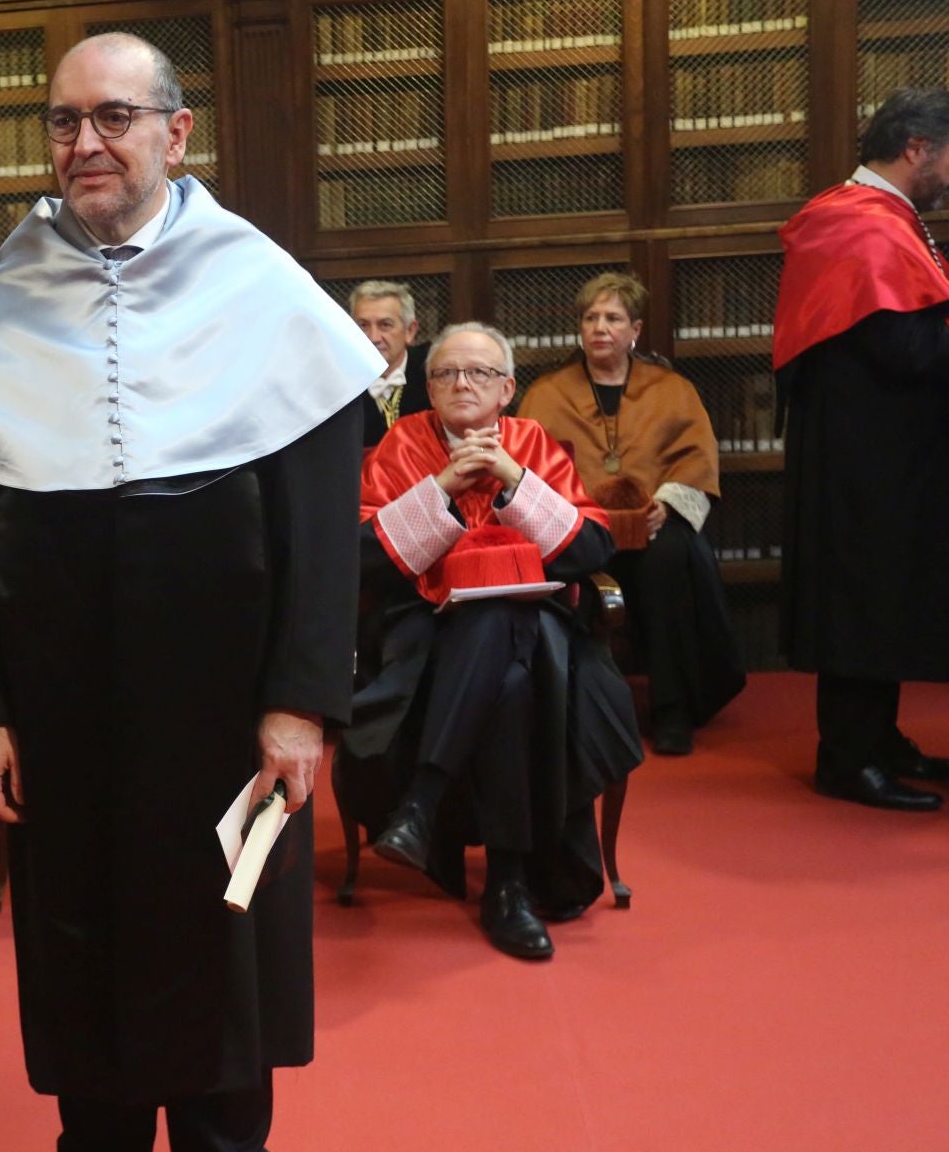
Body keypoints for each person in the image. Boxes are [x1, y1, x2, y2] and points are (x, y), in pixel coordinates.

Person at [0, 32, 381, 1152]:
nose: (86, 143)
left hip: (226, 712)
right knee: (89, 984)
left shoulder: (263, 285)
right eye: (65, 121)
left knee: (222, 983)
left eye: (114, 117)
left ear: (177, 133)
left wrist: (301, 702)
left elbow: (324, 529)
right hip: (63, 714)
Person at [347, 322, 642, 960]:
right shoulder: (401, 444)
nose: (461, 384)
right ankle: (505, 886)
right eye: (447, 373)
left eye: (479, 373)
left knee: (507, 627)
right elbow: (359, 560)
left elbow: (593, 547)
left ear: (507, 388)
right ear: (428, 387)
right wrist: (445, 486)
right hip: (428, 634)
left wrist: (512, 477)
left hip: (537, 628)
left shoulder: (534, 443)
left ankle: (422, 804)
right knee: (506, 668)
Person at [774, 86, 949, 812]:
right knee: (862, 594)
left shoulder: (880, 219)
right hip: (862, 460)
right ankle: (846, 757)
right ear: (917, 149)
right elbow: (905, 349)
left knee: (886, 593)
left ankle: (877, 739)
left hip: (885, 452)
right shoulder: (862, 225)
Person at [518, 272, 745, 755]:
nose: (600, 327)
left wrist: (666, 504)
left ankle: (672, 708)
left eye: (613, 318)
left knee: (671, 556)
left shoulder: (671, 388)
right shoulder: (546, 393)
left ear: (635, 329)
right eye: (590, 317)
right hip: (576, 529)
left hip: (653, 526)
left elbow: (696, 458)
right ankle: (570, 705)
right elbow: (530, 467)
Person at [350, 279, 430, 447]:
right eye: (363, 326)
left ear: (410, 331)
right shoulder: (337, 384)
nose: (373, 338)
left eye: (385, 325)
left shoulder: (435, 373)